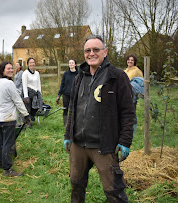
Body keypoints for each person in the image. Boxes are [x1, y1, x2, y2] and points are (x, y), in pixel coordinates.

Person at [63, 35, 135, 202]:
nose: (91, 53)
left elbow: (128, 112)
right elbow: (72, 108)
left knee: (113, 191)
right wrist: (68, 136)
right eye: (87, 50)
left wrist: (125, 141)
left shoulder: (117, 76)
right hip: (78, 144)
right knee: (76, 185)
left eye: (96, 49)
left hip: (104, 146)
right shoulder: (79, 77)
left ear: (105, 52)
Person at [0, 61, 31, 177]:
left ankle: (0, 163)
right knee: (8, 144)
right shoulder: (9, 84)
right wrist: (26, 115)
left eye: (11, 68)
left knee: (1, 142)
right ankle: (8, 169)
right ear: (2, 70)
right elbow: (18, 101)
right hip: (8, 119)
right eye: (8, 68)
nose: (11, 70)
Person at [124, 54, 144, 135]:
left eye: (132, 60)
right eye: (128, 59)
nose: (130, 61)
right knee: (124, 112)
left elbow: (141, 83)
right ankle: (125, 129)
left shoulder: (137, 71)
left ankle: (133, 131)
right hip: (123, 94)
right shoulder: (125, 70)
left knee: (131, 111)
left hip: (132, 94)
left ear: (134, 61)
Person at [56, 59, 79, 126]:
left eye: (72, 63)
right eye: (70, 63)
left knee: (75, 110)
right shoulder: (65, 74)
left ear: (75, 64)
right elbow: (62, 85)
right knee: (65, 109)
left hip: (75, 95)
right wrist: (59, 95)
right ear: (68, 65)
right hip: (66, 95)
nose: (71, 64)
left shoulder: (78, 74)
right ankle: (65, 124)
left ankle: (74, 123)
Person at [22, 57, 43, 122]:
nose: (32, 64)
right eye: (30, 63)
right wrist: (26, 96)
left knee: (35, 108)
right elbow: (24, 85)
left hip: (35, 93)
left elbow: (38, 84)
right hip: (28, 93)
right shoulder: (25, 73)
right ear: (28, 64)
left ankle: (31, 120)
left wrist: (40, 94)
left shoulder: (37, 73)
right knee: (28, 109)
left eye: (33, 62)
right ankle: (27, 123)